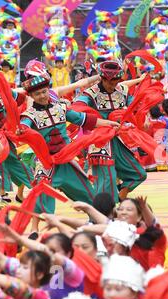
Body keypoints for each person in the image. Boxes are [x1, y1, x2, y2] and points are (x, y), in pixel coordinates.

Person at [19, 74, 118, 232]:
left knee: (89, 194)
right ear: (31, 96)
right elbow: (24, 127)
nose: (42, 96)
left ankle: (99, 222)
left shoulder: (61, 108)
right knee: (39, 196)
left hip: (66, 161)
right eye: (37, 94)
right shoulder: (29, 116)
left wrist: (108, 123)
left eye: (44, 92)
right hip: (46, 164)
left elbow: (85, 120)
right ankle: (34, 231)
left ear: (48, 90)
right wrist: (21, 130)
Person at [73, 60, 147, 202]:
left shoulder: (122, 90)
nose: (112, 84)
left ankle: (120, 197)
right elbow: (76, 107)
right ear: (101, 78)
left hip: (119, 140)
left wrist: (142, 116)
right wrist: (94, 120)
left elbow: (135, 107)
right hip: (100, 142)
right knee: (107, 183)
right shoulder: (90, 93)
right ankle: (101, 215)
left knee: (138, 174)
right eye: (109, 81)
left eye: (115, 80)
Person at [0, 74, 33, 203]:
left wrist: (28, 117)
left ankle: (29, 189)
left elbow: (23, 96)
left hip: (5, 135)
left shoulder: (1, 90)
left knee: (18, 163)